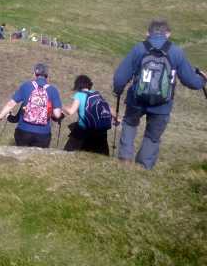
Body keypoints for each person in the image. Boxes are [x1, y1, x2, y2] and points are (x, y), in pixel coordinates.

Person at [113, 19, 207, 169]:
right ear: (168, 34)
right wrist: (202, 79)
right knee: (152, 136)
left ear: (147, 33)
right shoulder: (177, 52)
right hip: (162, 105)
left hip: (136, 100)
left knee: (130, 124)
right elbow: (192, 82)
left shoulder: (139, 48)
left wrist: (118, 90)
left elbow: (120, 77)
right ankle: (143, 167)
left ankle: (124, 160)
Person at [0, 63, 63, 148]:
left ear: (34, 74)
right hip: (43, 134)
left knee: (21, 158)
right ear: (47, 76)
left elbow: (10, 104)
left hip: (23, 131)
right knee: (38, 159)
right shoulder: (53, 90)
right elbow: (57, 114)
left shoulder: (26, 86)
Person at [62, 75, 115, 155]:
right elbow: (108, 108)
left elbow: (71, 111)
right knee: (101, 157)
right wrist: (116, 118)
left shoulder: (79, 95)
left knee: (68, 153)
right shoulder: (96, 94)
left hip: (83, 131)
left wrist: (60, 106)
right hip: (100, 133)